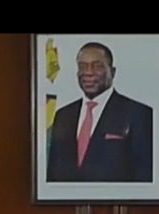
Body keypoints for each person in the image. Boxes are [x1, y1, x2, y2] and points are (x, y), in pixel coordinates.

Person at [46, 41, 153, 183]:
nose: (88, 72)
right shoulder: (63, 116)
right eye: (82, 66)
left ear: (112, 72)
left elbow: (144, 176)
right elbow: (53, 174)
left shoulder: (139, 114)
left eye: (97, 66)